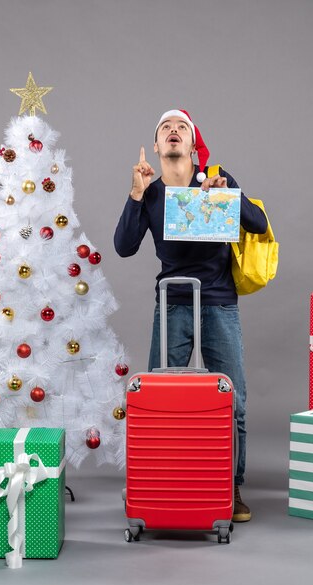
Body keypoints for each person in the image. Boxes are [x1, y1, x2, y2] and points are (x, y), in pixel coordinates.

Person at [114, 109, 267, 522]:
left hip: (218, 301)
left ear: (193, 144)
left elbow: (259, 222)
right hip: (173, 303)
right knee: (160, 401)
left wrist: (226, 197)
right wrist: (135, 194)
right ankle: (160, 483)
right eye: (166, 128)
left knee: (232, 400)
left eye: (181, 126)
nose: (173, 132)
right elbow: (123, 247)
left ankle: (229, 489)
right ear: (159, 146)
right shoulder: (151, 192)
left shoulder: (216, 178)